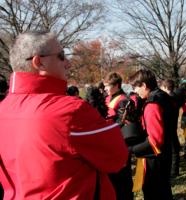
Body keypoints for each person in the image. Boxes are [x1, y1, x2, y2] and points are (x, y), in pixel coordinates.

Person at [0, 31, 128, 200]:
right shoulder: (70, 111)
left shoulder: (3, 108)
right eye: (61, 56)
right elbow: (117, 158)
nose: (68, 63)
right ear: (39, 62)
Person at [128, 69, 173, 200]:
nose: (135, 91)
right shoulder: (163, 96)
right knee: (164, 190)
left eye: (135, 87)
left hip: (155, 157)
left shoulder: (152, 104)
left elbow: (155, 140)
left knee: (154, 192)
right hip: (165, 152)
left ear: (144, 85)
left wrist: (131, 150)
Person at [103, 72, 136, 200]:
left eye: (107, 86)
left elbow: (124, 124)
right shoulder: (107, 98)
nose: (105, 88)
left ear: (116, 85)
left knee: (123, 179)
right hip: (108, 144)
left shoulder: (124, 101)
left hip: (120, 144)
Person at [160, 79, 181, 177]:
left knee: (172, 149)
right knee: (174, 148)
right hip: (173, 125)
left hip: (168, 125)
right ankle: (174, 169)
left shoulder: (167, 99)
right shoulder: (176, 97)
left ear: (165, 87)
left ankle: (173, 170)